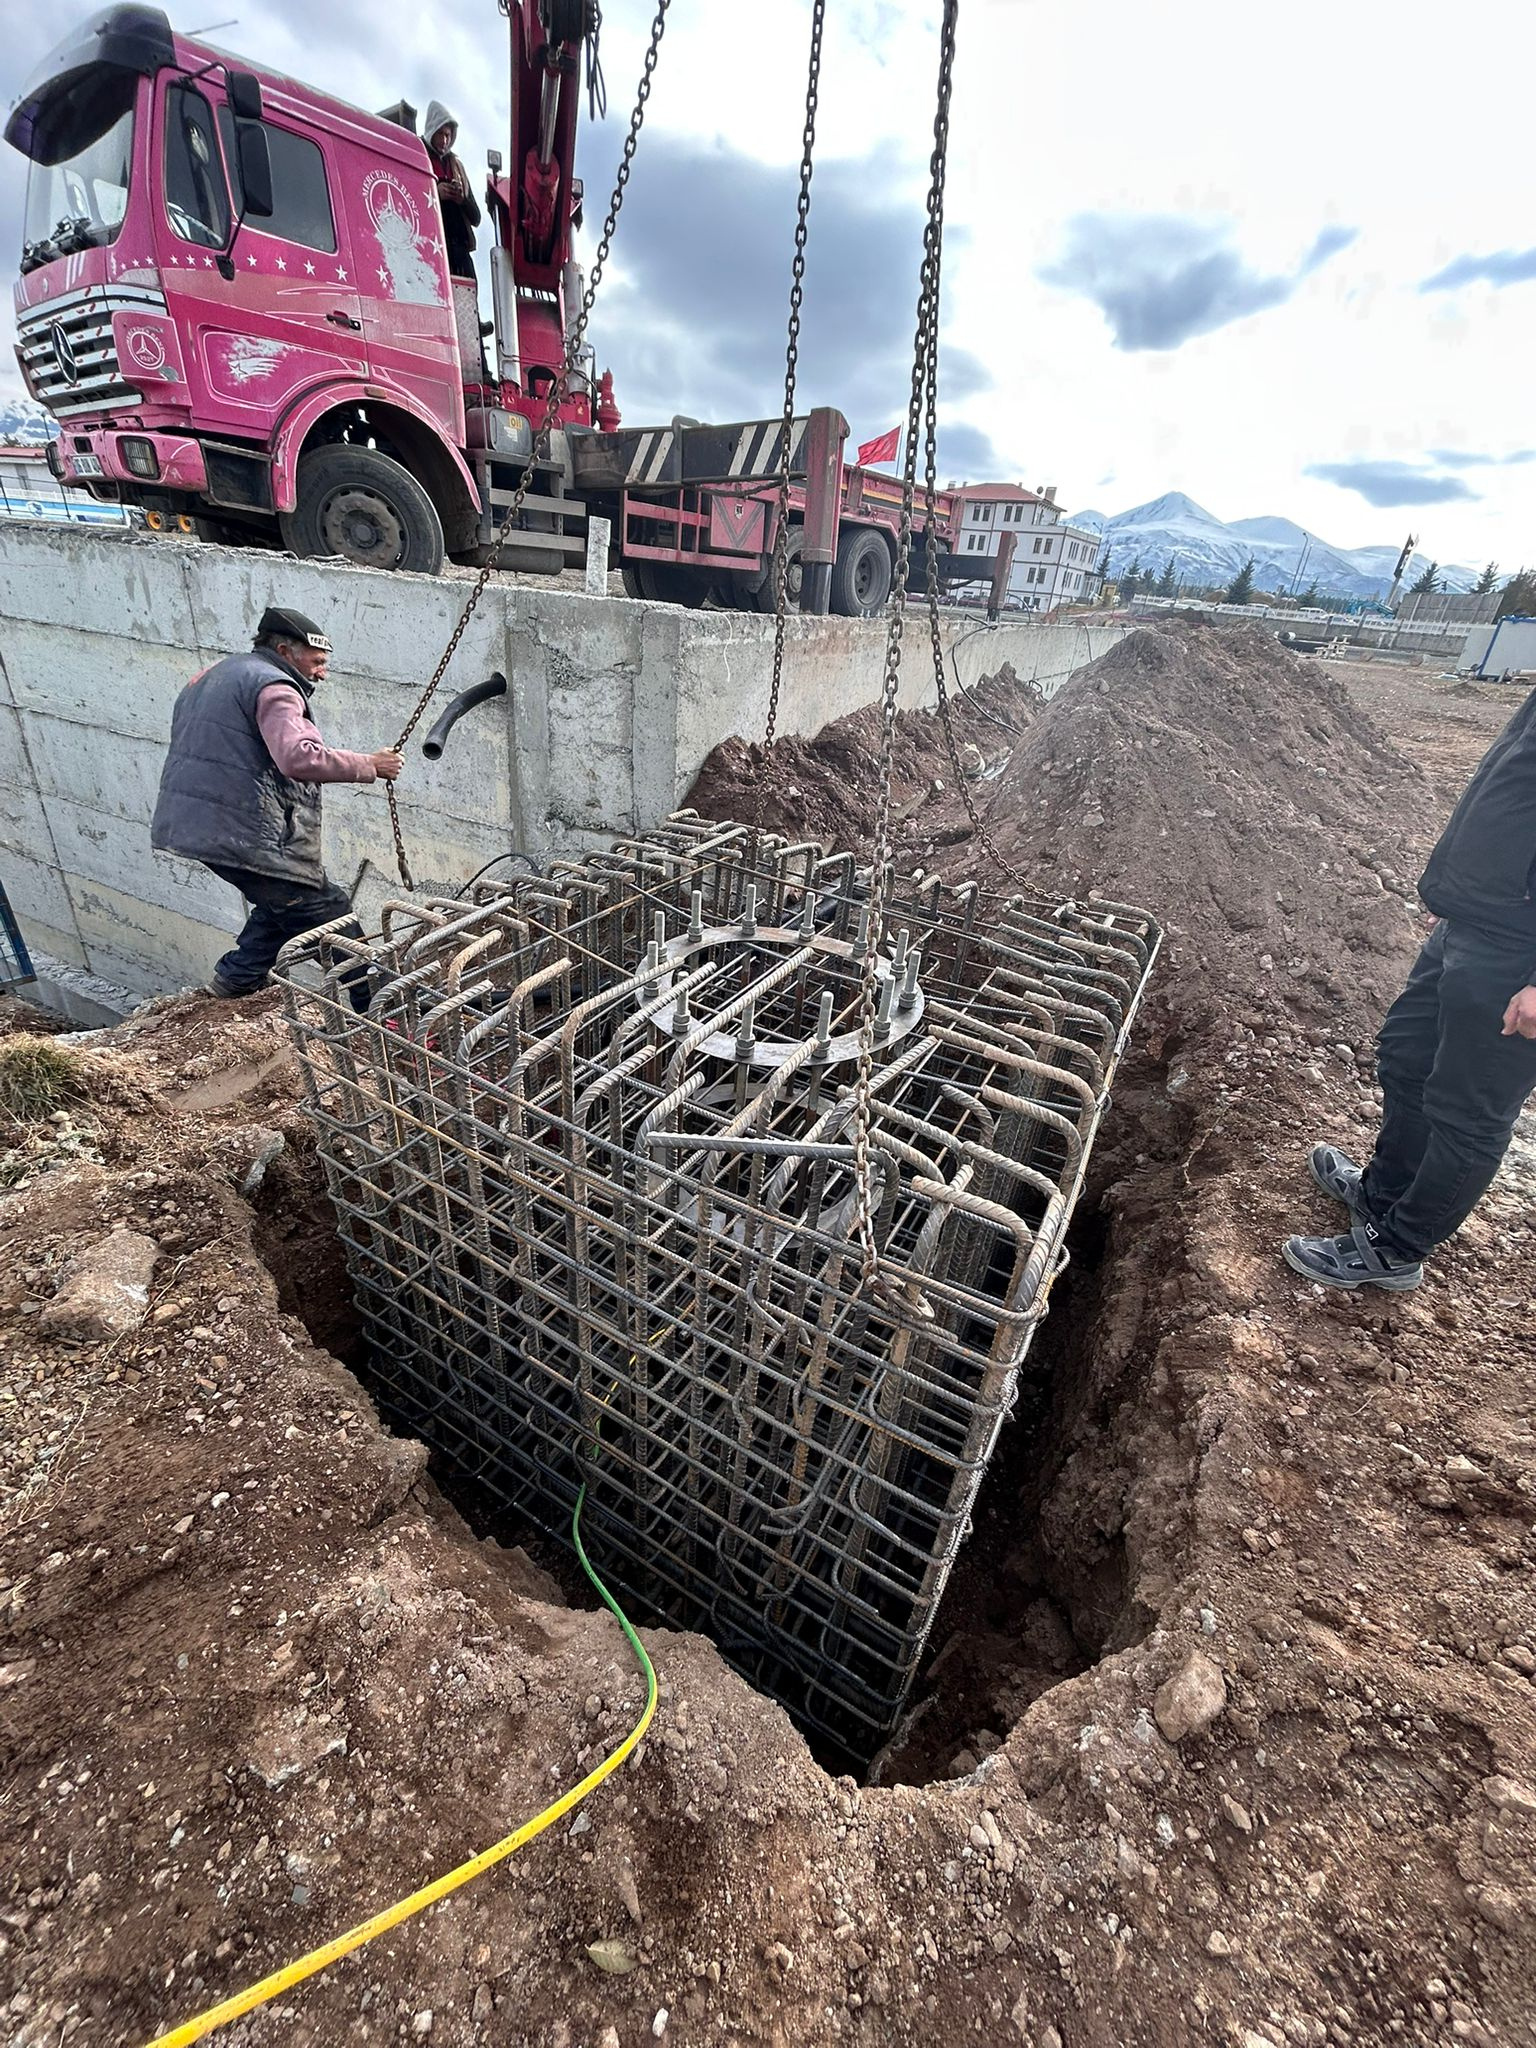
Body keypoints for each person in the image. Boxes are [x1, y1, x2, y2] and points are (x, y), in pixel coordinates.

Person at [1284, 688, 1536, 1291]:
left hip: (1517, 950)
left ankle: (1398, 1248)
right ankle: (1382, 1196)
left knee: (1468, 1110)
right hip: (1477, 921)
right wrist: (1461, 894)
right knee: (1405, 1056)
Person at [150, 605, 402, 998]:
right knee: (327, 912)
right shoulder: (276, 687)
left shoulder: (216, 675)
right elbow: (297, 756)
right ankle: (381, 1007)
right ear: (285, 652)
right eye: (316, 661)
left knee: (285, 899)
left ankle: (235, 980)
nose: (322, 672)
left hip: (200, 825)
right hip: (242, 831)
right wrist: (369, 764)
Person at [424, 101, 480, 282]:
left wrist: (461, 199)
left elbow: (476, 218)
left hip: (460, 251)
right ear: (432, 130)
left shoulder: (457, 167)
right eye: (440, 133)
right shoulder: (418, 156)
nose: (444, 140)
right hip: (429, 249)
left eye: (448, 135)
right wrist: (435, 194)